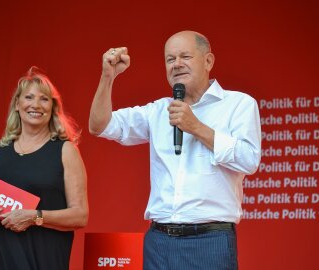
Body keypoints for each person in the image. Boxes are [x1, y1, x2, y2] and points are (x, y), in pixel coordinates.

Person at [89, 30, 261, 270]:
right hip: (159, 241)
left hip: (209, 241)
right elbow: (99, 125)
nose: (177, 64)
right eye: (170, 59)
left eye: (185, 57)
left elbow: (249, 160)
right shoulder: (158, 111)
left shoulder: (238, 104)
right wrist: (108, 77)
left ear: (208, 61)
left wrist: (197, 127)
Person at [0, 67, 88, 270]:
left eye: (44, 99)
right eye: (29, 97)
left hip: (41, 258)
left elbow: (80, 215)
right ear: (17, 104)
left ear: (53, 107)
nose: (36, 105)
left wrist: (35, 217)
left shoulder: (65, 150)